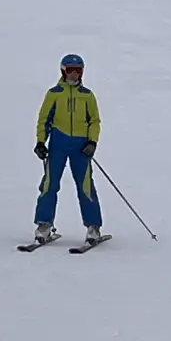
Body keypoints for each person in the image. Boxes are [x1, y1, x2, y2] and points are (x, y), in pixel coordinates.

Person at [32, 53, 104, 244]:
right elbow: (44, 120)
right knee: (49, 184)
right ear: (63, 71)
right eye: (70, 70)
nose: (74, 74)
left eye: (78, 71)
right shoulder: (54, 93)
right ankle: (44, 225)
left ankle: (93, 227)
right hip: (58, 143)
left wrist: (92, 142)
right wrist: (41, 142)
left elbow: (94, 121)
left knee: (85, 186)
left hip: (81, 146)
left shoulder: (87, 95)